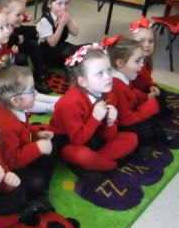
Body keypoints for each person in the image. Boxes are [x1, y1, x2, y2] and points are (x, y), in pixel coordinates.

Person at [50, 44, 138, 184]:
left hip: (94, 136)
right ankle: (107, 164)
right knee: (81, 155)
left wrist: (110, 123)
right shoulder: (71, 103)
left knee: (132, 138)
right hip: (70, 140)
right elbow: (77, 140)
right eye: (100, 74)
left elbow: (108, 136)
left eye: (108, 70)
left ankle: (94, 163)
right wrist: (95, 119)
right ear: (83, 81)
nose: (108, 77)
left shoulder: (108, 93)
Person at [0, 56, 60, 208]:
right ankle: (38, 196)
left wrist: (36, 133)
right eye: (31, 91)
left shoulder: (16, 109)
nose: (36, 93)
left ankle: (38, 186)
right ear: (15, 100)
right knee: (36, 183)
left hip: (22, 147)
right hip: (8, 166)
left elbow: (24, 128)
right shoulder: (6, 126)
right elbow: (11, 161)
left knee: (53, 146)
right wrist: (37, 147)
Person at [105, 36, 176, 150]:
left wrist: (146, 97)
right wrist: (148, 109)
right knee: (146, 131)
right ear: (120, 63)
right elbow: (124, 120)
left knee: (158, 98)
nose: (142, 64)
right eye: (137, 61)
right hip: (121, 124)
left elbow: (132, 92)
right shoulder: (116, 86)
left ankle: (159, 124)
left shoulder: (122, 77)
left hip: (130, 112)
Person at [128, 15, 173, 115]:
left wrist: (152, 86)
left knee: (161, 92)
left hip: (144, 89)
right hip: (134, 95)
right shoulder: (131, 65)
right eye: (142, 41)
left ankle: (161, 111)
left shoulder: (147, 60)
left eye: (150, 41)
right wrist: (145, 96)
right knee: (153, 105)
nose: (147, 45)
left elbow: (147, 80)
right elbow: (128, 90)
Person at [36, 0, 80, 68]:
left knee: (83, 49)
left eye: (66, 3)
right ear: (49, 4)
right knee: (70, 52)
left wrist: (68, 20)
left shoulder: (65, 16)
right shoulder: (45, 21)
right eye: (59, 3)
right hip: (48, 53)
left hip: (61, 47)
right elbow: (52, 43)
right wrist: (61, 24)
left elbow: (75, 33)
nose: (63, 7)